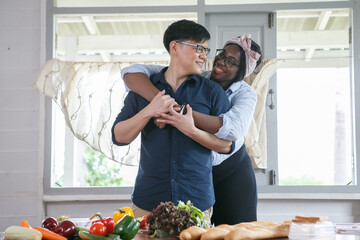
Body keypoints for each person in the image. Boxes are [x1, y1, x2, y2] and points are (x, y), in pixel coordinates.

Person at [121, 34, 262, 225]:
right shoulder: (196, 76)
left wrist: (176, 113)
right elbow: (133, 72)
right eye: (222, 54)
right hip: (195, 173)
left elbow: (233, 131)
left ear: (241, 71)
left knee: (236, 232)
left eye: (231, 61)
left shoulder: (245, 93)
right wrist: (162, 104)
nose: (221, 62)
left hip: (231, 172)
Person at [111, 19, 233, 223]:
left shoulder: (212, 92)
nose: (204, 55)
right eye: (198, 48)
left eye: (206, 50)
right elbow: (119, 136)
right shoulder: (143, 90)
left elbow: (226, 145)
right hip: (147, 201)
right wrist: (150, 110)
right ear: (174, 47)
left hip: (197, 202)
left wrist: (191, 129)